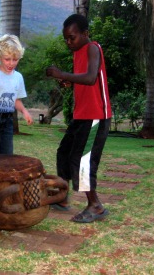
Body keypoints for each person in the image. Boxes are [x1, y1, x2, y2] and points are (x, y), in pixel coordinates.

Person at [45, 14, 112, 223]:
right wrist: (69, 81)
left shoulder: (93, 47)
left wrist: (62, 74)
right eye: (66, 38)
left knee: (83, 161)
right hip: (81, 114)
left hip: (96, 115)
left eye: (72, 37)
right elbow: (83, 79)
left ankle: (95, 206)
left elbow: (91, 78)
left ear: (85, 34)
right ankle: (62, 196)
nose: (68, 42)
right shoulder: (78, 52)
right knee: (64, 152)